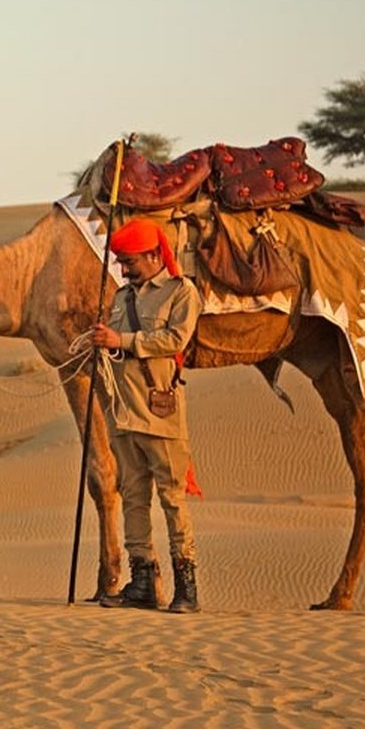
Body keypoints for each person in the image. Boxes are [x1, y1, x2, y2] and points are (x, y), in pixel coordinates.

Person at [90, 219, 204, 613]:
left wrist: (120, 340)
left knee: (173, 500)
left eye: (130, 261)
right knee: (134, 500)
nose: (124, 269)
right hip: (122, 415)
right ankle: (142, 581)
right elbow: (120, 348)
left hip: (160, 413)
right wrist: (103, 343)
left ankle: (186, 587)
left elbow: (174, 339)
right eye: (121, 262)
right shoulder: (122, 298)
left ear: (155, 255)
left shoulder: (181, 292)